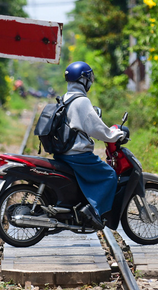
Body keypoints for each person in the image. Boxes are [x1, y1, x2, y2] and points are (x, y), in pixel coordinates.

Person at [55, 61, 130, 230]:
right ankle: (93, 212)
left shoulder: (66, 98)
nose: (90, 82)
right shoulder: (81, 101)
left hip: (64, 153)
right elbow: (96, 128)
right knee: (109, 176)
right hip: (77, 155)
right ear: (83, 80)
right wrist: (114, 134)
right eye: (89, 78)